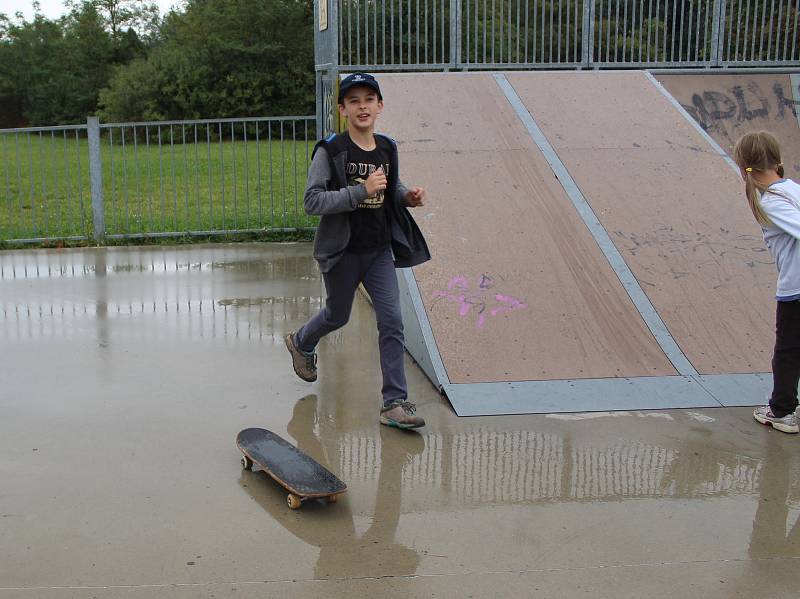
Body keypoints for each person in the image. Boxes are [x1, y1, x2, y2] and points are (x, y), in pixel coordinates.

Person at [285, 72, 431, 429]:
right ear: (342, 109)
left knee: (392, 320)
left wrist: (405, 196)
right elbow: (312, 201)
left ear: (380, 106)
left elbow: (390, 185)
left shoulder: (387, 147)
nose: (362, 106)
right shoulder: (331, 150)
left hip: (378, 250)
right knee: (338, 316)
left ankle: (393, 403)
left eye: (369, 99)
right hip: (343, 251)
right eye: (354, 101)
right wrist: (359, 191)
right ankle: (302, 341)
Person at [733, 131, 800, 434]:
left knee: (787, 351)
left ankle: (782, 412)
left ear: (744, 163)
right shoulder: (792, 189)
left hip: (796, 290)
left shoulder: (771, 201)